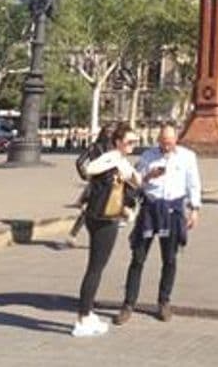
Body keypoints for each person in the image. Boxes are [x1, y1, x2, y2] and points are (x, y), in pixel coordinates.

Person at [115, 124, 202, 325]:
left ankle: (164, 301)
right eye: (163, 143)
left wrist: (195, 209)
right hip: (150, 209)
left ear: (176, 139)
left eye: (169, 143)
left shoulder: (187, 157)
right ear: (158, 140)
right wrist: (148, 176)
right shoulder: (147, 156)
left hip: (172, 210)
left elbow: (193, 183)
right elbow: (134, 183)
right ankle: (128, 304)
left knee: (169, 259)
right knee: (138, 258)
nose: (166, 147)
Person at [73, 123, 142, 338]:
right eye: (129, 142)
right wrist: (114, 164)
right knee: (95, 268)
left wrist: (128, 173)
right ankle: (83, 318)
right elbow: (91, 169)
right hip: (104, 218)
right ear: (117, 142)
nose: (133, 146)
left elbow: (137, 180)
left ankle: (88, 313)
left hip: (100, 215)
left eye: (135, 142)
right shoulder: (111, 157)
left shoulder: (120, 160)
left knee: (96, 267)